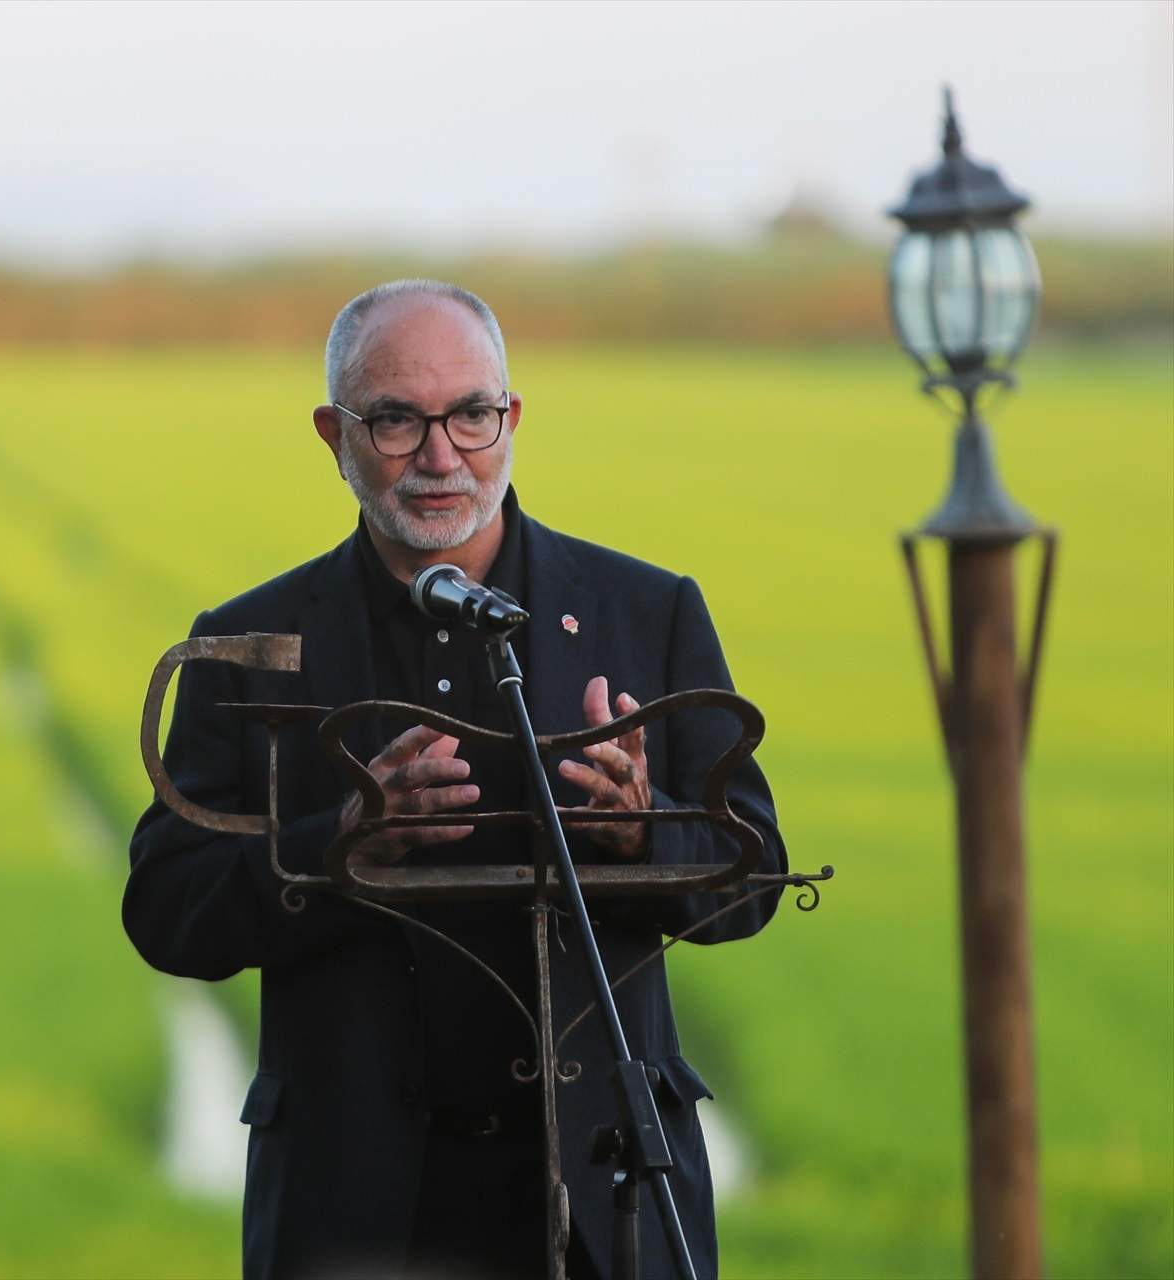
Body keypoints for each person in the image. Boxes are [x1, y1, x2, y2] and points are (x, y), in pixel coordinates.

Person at [123, 279, 786, 1280]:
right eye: (394, 419)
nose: (440, 455)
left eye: (471, 414)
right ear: (332, 434)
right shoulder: (247, 644)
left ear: (511, 416)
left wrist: (643, 833)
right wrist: (336, 846)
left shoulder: (643, 613)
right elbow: (167, 909)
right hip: (354, 1208)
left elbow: (757, 878)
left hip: (611, 1203)